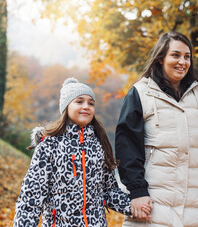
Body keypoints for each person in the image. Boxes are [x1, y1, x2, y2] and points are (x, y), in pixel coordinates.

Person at [115, 31, 198, 226]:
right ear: (160, 58)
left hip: (191, 204)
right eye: (175, 55)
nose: (182, 62)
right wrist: (137, 191)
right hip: (151, 202)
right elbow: (127, 147)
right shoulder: (140, 93)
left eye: (187, 56)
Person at [14, 77, 151, 226]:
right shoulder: (49, 146)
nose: (86, 106)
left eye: (91, 103)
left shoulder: (98, 145)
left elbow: (108, 192)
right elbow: (31, 197)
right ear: (66, 107)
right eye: (79, 101)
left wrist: (132, 207)